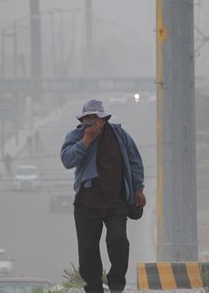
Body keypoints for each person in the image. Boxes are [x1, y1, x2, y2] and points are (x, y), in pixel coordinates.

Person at [60, 99, 145, 293]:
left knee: (118, 241)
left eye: (96, 118)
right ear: (82, 121)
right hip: (86, 204)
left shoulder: (119, 135)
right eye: (88, 119)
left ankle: (116, 285)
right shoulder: (76, 136)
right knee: (88, 249)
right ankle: (94, 288)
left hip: (116, 202)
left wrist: (138, 188)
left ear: (104, 119)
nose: (93, 122)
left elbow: (134, 161)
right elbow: (67, 160)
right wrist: (86, 140)